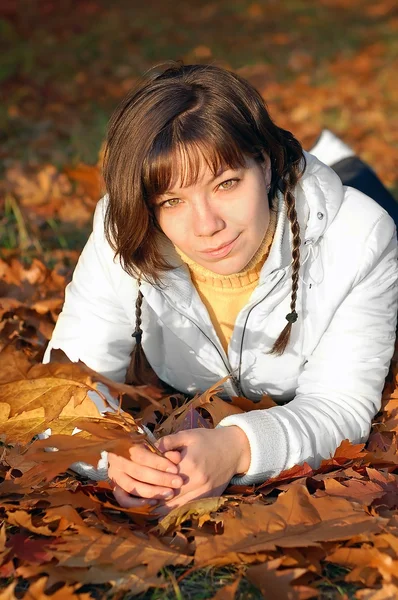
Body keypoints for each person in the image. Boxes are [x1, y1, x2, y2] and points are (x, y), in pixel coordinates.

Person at [42, 63, 398, 516]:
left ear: (265, 165)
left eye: (226, 183)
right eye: (172, 201)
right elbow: (65, 388)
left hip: (343, 223)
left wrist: (236, 448)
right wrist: (113, 454)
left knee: (381, 214)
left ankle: (346, 166)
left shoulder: (360, 238)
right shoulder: (123, 231)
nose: (207, 226)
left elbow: (339, 404)